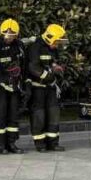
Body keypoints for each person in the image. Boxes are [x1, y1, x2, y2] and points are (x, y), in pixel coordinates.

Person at [27, 24, 68, 152]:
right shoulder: (35, 47)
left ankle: (53, 143)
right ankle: (40, 144)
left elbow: (52, 61)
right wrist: (48, 76)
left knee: (53, 114)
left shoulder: (52, 48)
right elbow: (33, 68)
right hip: (38, 87)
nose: (57, 45)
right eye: (57, 42)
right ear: (50, 38)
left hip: (50, 88)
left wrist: (56, 67)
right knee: (39, 115)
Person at [0, 18, 25, 154]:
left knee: (13, 115)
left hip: (15, 85)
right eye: (7, 35)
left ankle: (11, 143)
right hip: (0, 86)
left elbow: (23, 64)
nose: (9, 37)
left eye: (12, 35)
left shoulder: (19, 45)